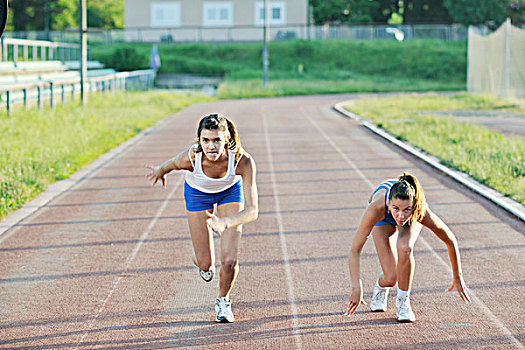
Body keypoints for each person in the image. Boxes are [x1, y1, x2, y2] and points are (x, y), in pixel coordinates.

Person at [146, 113, 258, 323]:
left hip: (229, 192)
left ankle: (223, 301)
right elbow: (171, 164)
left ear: (227, 140)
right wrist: (160, 171)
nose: (211, 147)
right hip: (197, 193)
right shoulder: (191, 158)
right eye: (205, 140)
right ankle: (200, 260)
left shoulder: (242, 161)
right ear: (199, 141)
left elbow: (253, 211)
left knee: (229, 260)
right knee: (207, 264)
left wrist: (225, 222)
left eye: (217, 140)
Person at [345, 172, 470, 322]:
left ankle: (403, 302)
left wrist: (457, 277)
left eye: (406, 210)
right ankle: (380, 288)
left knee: (405, 247)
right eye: (396, 209)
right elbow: (355, 250)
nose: (400, 215)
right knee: (391, 278)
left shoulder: (419, 210)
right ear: (389, 204)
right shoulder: (376, 208)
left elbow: (450, 240)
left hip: (410, 217)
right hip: (383, 218)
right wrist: (356, 287)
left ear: (413, 207)